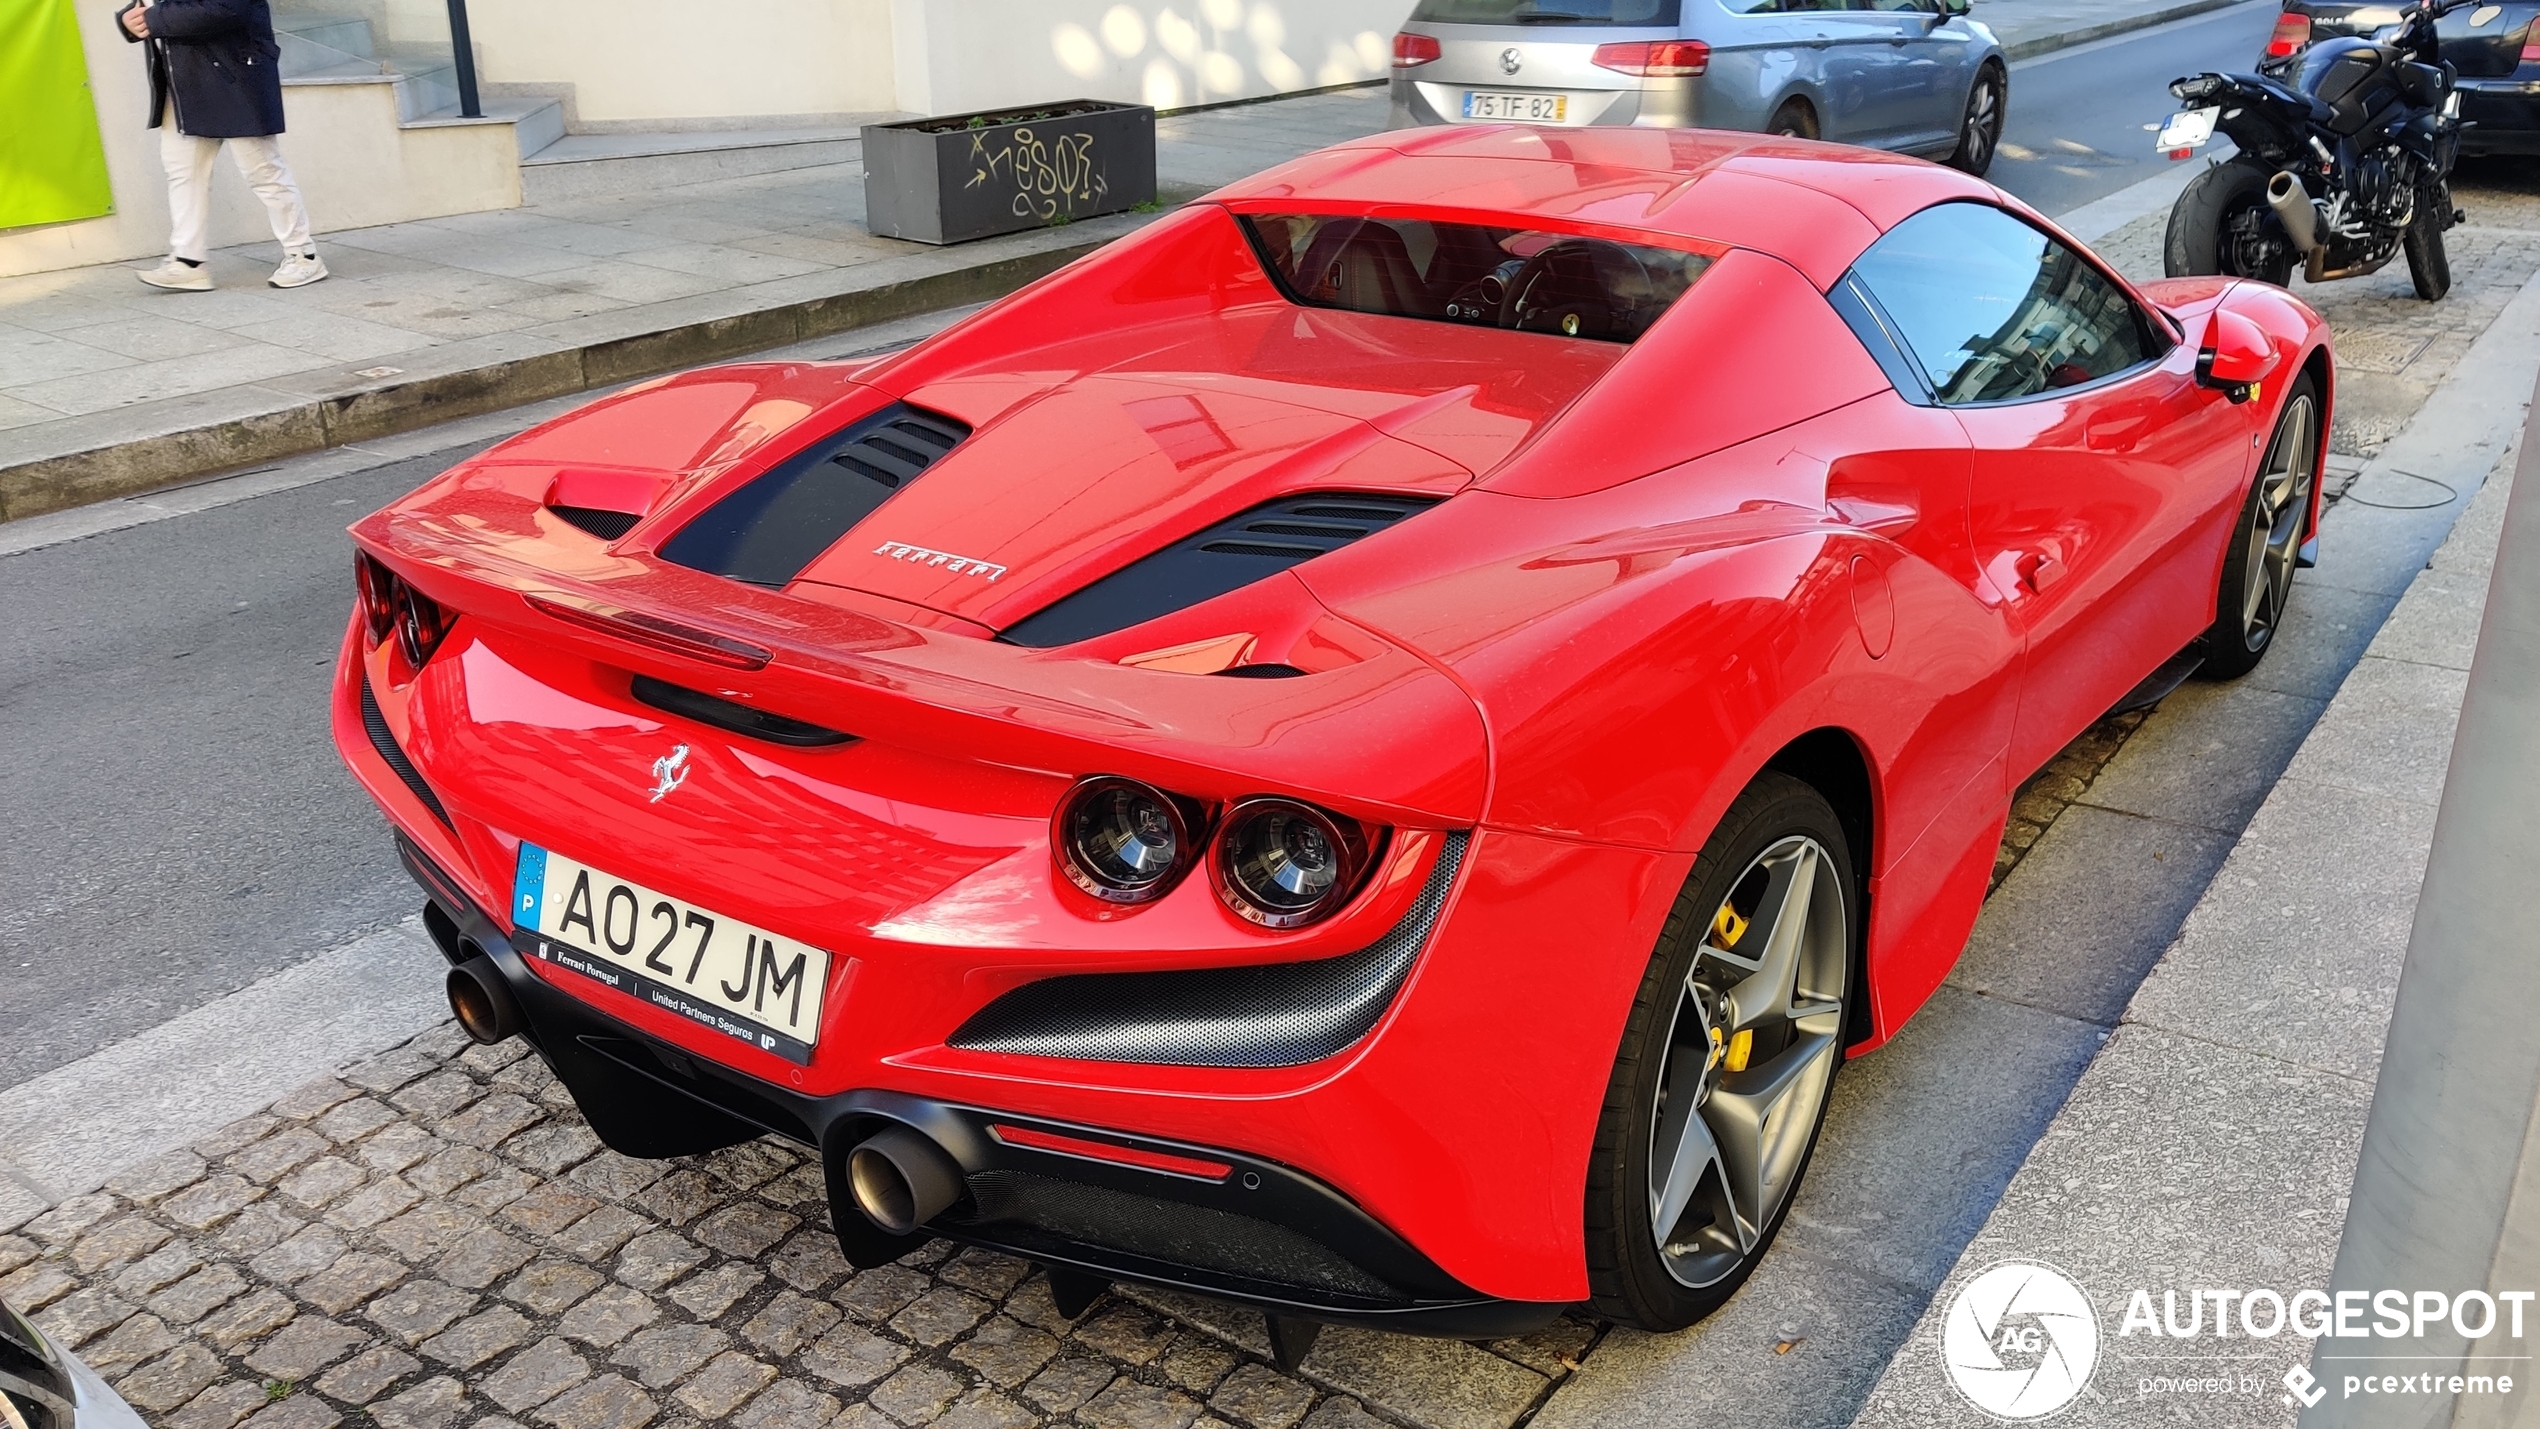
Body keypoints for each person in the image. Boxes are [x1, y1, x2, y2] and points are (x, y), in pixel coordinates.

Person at [118, 0, 327, 291]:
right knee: (184, 172)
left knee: (262, 171)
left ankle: (303, 255)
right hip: (185, 81)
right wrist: (130, 19)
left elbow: (229, 7)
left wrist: (155, 18)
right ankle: (188, 262)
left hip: (235, 74)